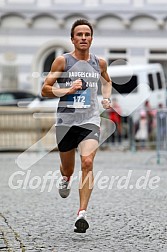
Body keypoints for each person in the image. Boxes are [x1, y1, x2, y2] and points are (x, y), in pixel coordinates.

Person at [41, 19, 112, 233]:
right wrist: (67, 90)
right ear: (72, 39)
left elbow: (107, 81)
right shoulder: (62, 62)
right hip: (66, 121)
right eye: (79, 34)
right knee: (69, 167)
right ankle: (65, 177)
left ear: (91, 38)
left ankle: (82, 213)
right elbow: (45, 89)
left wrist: (106, 98)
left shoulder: (99, 63)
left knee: (88, 162)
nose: (83, 38)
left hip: (90, 120)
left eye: (87, 34)